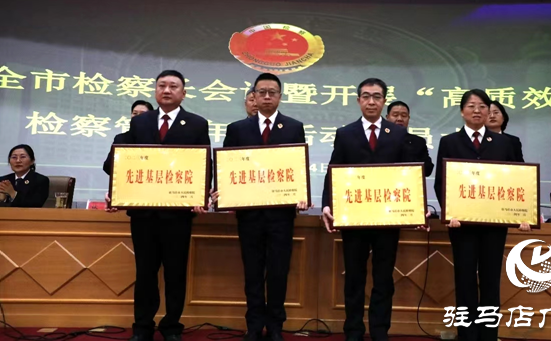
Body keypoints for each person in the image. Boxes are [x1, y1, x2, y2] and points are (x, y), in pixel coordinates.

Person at [105, 70, 209, 341]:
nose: (167, 90)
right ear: (155, 91)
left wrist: (201, 195)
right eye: (162, 85)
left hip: (178, 214)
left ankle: (172, 326)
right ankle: (142, 327)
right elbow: (128, 162)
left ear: (183, 93)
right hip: (144, 213)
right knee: (145, 272)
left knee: (175, 272)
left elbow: (204, 164)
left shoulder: (197, 124)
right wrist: (117, 192)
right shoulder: (141, 122)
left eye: (173, 86)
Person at [321, 78, 425, 341]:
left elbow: (408, 175)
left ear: (383, 101)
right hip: (354, 218)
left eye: (376, 97)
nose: (371, 101)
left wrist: (417, 207)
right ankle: (353, 331)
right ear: (358, 100)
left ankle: (380, 331)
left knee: (383, 278)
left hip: (387, 218)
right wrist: (327, 204)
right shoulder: (345, 133)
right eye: (366, 96)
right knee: (354, 277)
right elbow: (333, 171)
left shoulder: (398, 134)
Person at [434, 89, 531, 341]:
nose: (476, 110)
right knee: (464, 279)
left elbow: (518, 180)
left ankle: (489, 335)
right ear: (461, 111)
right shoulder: (449, 141)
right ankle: (466, 335)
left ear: (488, 111)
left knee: (490, 280)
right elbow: (441, 182)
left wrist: (523, 213)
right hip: (461, 224)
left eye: (482, 106)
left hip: (494, 225)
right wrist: (449, 211)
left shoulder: (503, 143)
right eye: (471, 105)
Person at [217, 73, 308, 341]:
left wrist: (301, 193)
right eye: (262, 92)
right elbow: (227, 169)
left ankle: (276, 326)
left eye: (272, 92)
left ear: (280, 96)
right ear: (254, 96)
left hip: (281, 215)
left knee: (279, 271)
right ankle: (254, 325)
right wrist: (222, 192)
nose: (267, 97)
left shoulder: (293, 127)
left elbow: (297, 168)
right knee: (253, 271)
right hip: (250, 215)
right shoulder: (237, 129)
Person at [103, 100, 154, 175]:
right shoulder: (120, 139)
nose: (138, 116)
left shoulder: (157, 138)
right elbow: (108, 166)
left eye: (143, 113)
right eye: (135, 113)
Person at [386, 100, 434, 176]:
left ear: (408, 118)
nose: (399, 119)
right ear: (387, 117)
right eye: (395, 115)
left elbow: (428, 170)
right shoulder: (379, 139)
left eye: (404, 115)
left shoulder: (418, 142)